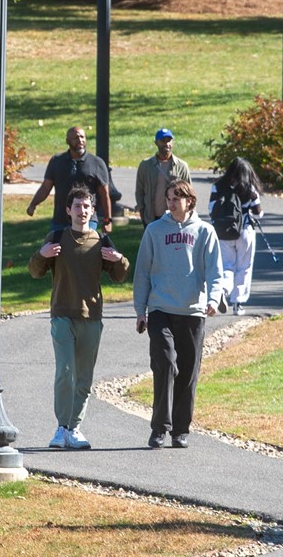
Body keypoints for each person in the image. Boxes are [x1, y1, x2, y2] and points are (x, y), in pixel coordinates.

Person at [30, 185, 130, 450]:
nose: (82, 211)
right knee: (65, 371)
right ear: (68, 210)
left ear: (93, 210)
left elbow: (120, 275)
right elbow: (34, 271)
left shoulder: (100, 241)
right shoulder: (56, 237)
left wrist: (118, 259)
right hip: (62, 314)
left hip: (92, 317)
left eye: (86, 207)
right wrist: (43, 254)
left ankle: (74, 429)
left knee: (84, 377)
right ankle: (61, 427)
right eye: (77, 206)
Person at [133, 180, 226, 449]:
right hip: (161, 309)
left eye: (176, 198)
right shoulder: (154, 230)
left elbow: (215, 271)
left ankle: (180, 430)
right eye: (168, 198)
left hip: (193, 311)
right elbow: (142, 273)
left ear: (189, 201)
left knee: (187, 371)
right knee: (164, 363)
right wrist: (141, 310)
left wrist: (213, 298)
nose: (171, 202)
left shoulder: (205, 231)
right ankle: (159, 428)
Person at [25, 126, 113, 233]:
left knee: (83, 249)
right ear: (68, 141)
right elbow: (45, 187)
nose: (80, 140)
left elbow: (104, 193)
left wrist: (108, 220)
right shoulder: (57, 161)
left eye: (82, 137)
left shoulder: (96, 163)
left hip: (86, 219)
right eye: (76, 138)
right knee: (57, 249)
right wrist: (33, 204)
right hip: (61, 220)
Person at [208, 157, 264, 313]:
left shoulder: (217, 187)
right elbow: (258, 213)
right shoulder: (250, 189)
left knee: (227, 265)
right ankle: (237, 304)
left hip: (223, 232)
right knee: (244, 267)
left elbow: (211, 209)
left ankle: (223, 291)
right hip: (245, 231)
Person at [134, 128, 192, 224]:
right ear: (156, 143)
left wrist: (188, 213)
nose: (167, 144)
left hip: (174, 218)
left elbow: (189, 192)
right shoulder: (146, 165)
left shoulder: (181, 166)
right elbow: (140, 191)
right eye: (163, 141)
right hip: (151, 218)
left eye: (169, 140)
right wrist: (142, 213)